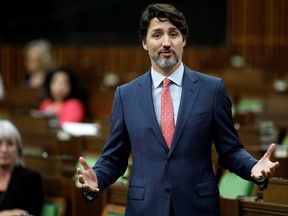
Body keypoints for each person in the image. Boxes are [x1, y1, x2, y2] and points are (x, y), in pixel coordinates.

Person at [76, 3, 280, 216]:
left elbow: (230, 150)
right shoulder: (125, 95)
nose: (166, 43)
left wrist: (252, 167)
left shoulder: (212, 89)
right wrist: (98, 176)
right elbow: (115, 158)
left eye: (173, 34)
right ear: (145, 43)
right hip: (145, 208)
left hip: (197, 207)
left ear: (184, 40)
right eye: (157, 35)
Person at [0, 119, 44, 216]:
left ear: (18, 149)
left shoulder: (30, 179)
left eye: (10, 144)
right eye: (0, 143)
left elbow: (31, 214)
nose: (4, 149)